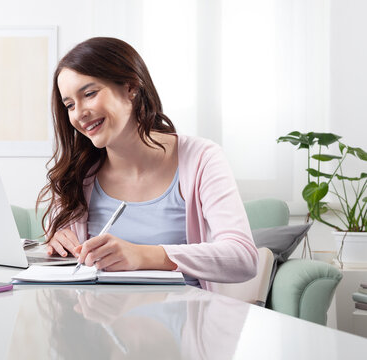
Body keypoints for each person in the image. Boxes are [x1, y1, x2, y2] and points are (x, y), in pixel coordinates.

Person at [37, 37, 257, 290]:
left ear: (131, 87)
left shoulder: (201, 158)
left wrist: (142, 256)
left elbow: (243, 258)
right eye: (70, 105)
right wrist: (55, 245)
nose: (79, 114)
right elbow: (65, 264)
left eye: (89, 94)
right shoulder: (77, 175)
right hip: (97, 322)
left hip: (182, 322)